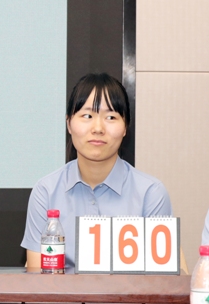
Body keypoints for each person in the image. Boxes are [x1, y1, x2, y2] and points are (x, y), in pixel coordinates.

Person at [21, 73, 173, 268]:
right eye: (87, 116)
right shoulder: (46, 192)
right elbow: (38, 279)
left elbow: (158, 279)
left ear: (125, 127)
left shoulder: (150, 194)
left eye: (111, 117)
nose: (98, 128)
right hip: (61, 290)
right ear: (69, 124)